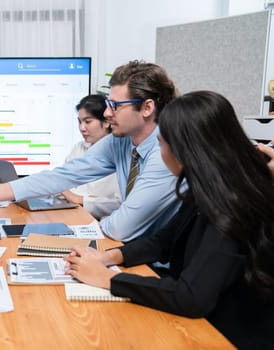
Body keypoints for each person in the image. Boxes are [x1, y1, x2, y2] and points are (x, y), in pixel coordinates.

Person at [64, 91, 274, 349]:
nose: (160, 154)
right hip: (205, 321)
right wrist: (107, 258)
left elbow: (192, 296)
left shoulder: (233, 204)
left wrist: (106, 279)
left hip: (227, 335)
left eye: (162, 144)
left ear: (188, 151)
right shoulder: (208, 189)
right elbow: (163, 241)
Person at [0, 60, 181, 242]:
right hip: (128, 250)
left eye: (116, 105)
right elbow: (64, 175)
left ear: (147, 108)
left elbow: (123, 227)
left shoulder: (166, 154)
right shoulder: (122, 141)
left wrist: (96, 224)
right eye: (107, 104)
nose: (106, 113)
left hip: (161, 268)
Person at [60, 94, 121, 219]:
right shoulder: (79, 148)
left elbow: (118, 204)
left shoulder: (120, 153)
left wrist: (80, 199)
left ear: (106, 123)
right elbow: (63, 185)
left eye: (88, 121)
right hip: (72, 214)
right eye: (80, 122)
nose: (82, 128)